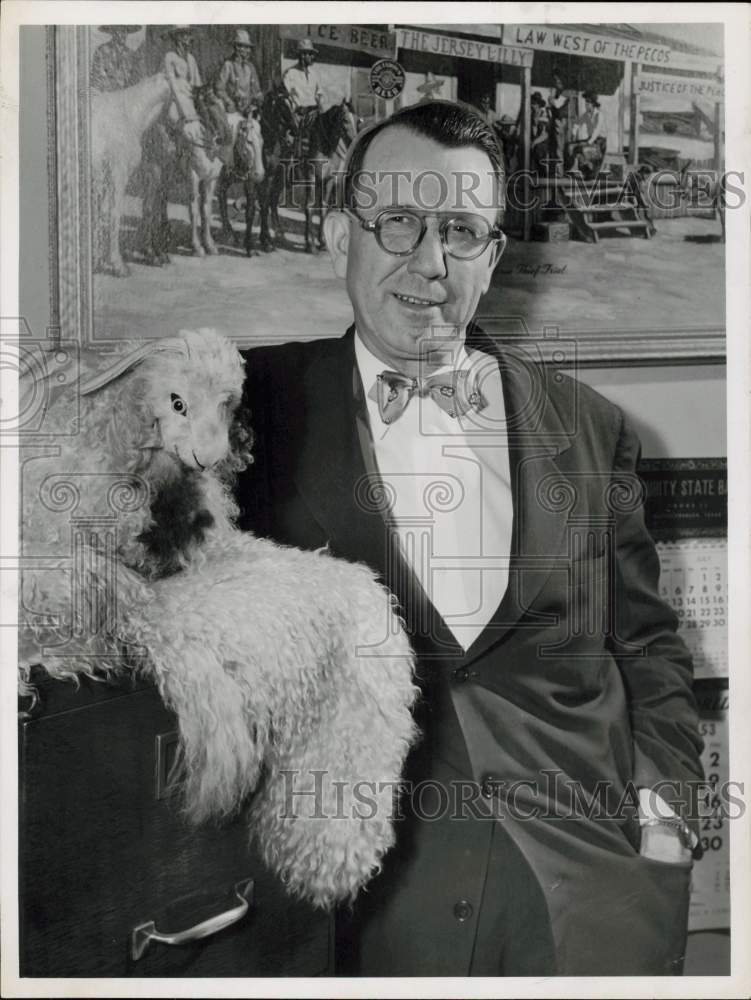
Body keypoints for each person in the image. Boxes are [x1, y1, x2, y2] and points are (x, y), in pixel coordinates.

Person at [236, 100, 704, 977]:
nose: (429, 263)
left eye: (459, 229)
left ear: (492, 255)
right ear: (342, 234)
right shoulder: (246, 405)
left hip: (588, 907)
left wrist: (666, 825)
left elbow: (648, 650)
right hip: (346, 917)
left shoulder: (591, 429)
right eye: (400, 223)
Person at [162, 25, 203, 146]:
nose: (188, 38)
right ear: (177, 37)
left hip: (190, 98)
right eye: (184, 35)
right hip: (174, 99)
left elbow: (197, 83)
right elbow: (172, 83)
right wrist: (184, 110)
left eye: (188, 34)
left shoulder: (191, 58)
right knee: (175, 120)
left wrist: (197, 96)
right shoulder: (170, 56)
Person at [214, 28, 263, 117]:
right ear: (237, 48)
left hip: (248, 111)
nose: (248, 51)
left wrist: (258, 99)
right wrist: (228, 101)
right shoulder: (228, 65)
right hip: (232, 111)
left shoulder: (250, 67)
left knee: (256, 128)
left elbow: (256, 90)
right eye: (244, 47)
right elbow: (219, 88)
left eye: (248, 48)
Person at [566, 90, 608, 176]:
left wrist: (587, 143)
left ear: (593, 104)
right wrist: (574, 134)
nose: (586, 105)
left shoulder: (599, 115)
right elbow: (577, 123)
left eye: (588, 103)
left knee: (582, 148)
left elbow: (597, 130)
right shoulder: (586, 115)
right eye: (585, 103)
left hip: (600, 142)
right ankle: (574, 167)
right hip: (591, 139)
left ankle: (586, 169)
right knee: (570, 145)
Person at [90, 25, 142, 92]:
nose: (123, 35)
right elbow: (96, 78)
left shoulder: (131, 54)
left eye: (125, 31)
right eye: (119, 31)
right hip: (106, 95)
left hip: (127, 96)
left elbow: (136, 79)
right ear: (113, 33)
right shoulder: (102, 51)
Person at [283, 37, 324, 114]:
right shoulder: (290, 73)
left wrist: (320, 107)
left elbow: (319, 93)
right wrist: (298, 107)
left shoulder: (314, 74)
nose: (312, 57)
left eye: (312, 54)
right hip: (298, 115)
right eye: (310, 54)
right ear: (302, 55)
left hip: (314, 114)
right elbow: (288, 96)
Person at [547, 70, 571, 170]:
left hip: (561, 121)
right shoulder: (560, 93)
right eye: (555, 81)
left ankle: (559, 173)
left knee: (559, 148)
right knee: (555, 146)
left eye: (558, 81)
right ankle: (556, 172)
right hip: (556, 120)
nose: (556, 84)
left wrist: (550, 97)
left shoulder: (566, 92)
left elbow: (557, 104)